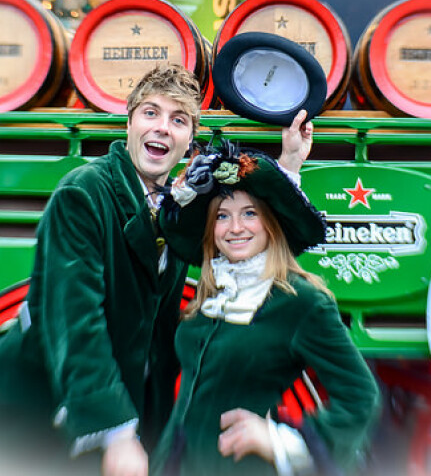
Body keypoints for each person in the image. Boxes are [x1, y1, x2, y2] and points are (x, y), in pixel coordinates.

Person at [0, 63, 316, 476]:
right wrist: (115, 431)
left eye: (178, 120)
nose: (162, 127)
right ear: (129, 123)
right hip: (29, 416)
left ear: (189, 141)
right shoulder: (83, 193)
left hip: (125, 409)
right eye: (151, 113)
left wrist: (289, 163)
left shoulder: (179, 209)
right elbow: (76, 320)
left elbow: (250, 254)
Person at [151, 142, 381, 475]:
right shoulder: (213, 291)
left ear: (270, 222)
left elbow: (361, 396)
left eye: (249, 213)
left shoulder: (301, 301)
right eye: (222, 216)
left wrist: (279, 441)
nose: (235, 228)